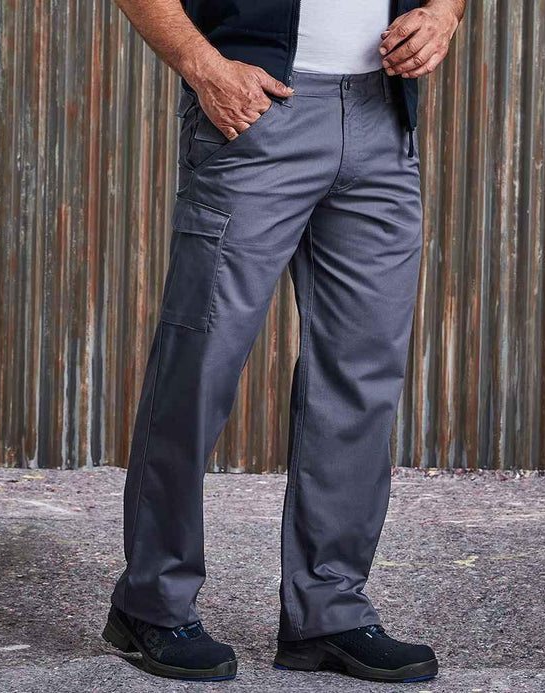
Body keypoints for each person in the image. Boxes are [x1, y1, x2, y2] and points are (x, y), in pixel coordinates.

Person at [102, 0, 466, 683]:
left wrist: (444, 13)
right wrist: (203, 67)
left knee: (360, 376)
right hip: (256, 109)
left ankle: (328, 611)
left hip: (381, 117)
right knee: (200, 364)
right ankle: (150, 602)